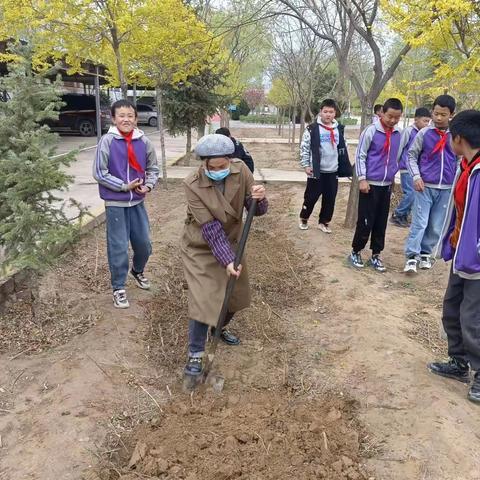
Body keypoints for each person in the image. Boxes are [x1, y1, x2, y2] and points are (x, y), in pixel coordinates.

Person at [181, 133, 268, 377]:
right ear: (204, 164)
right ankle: (196, 355)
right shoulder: (192, 184)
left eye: (224, 165)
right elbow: (210, 228)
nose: (220, 170)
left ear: (230, 160)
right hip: (200, 245)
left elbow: (256, 210)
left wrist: (259, 199)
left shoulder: (241, 171)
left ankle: (217, 328)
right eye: (213, 167)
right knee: (203, 299)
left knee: (236, 298)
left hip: (233, 241)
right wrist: (227, 260)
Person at [428, 110, 480, 404]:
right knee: (452, 308)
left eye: (451, 135)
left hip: (477, 260)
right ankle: (459, 362)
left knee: (473, 318)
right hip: (463, 254)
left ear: (459, 138)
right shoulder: (466, 165)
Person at [93, 99, 159, 308]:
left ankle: (137, 271)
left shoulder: (143, 141)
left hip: (137, 202)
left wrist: (147, 186)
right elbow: (99, 172)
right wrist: (123, 186)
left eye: (130, 115)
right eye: (121, 115)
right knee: (119, 247)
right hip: (115, 203)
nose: (126, 119)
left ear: (136, 118)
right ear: (113, 119)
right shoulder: (107, 141)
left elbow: (153, 168)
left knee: (144, 245)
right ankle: (119, 287)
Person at [403, 95, 457, 274]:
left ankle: (426, 253)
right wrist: (416, 177)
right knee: (420, 222)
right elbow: (411, 156)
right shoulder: (424, 133)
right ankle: (411, 256)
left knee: (436, 224)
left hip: (446, 188)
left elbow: (459, 159)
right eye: (436, 113)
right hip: (424, 186)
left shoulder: (456, 136)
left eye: (443, 114)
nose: (439, 118)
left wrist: (456, 181)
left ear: (451, 114)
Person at [349, 98, 403, 272]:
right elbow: (360, 156)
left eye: (397, 117)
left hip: (386, 185)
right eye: (389, 116)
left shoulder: (398, 134)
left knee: (381, 222)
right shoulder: (371, 131)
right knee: (366, 220)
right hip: (370, 184)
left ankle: (376, 254)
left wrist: (393, 179)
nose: (392, 120)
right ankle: (356, 251)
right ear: (382, 113)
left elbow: (395, 158)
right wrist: (362, 178)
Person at [298, 98, 350, 233]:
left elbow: (343, 148)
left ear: (335, 113)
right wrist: (305, 165)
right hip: (317, 171)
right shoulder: (312, 129)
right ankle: (304, 218)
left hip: (332, 171)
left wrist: (343, 166)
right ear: (320, 112)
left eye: (331, 112)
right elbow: (304, 148)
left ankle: (324, 222)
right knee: (311, 197)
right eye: (325, 111)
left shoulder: (339, 129)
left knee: (330, 199)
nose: (328, 114)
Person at [390, 107, 432, 228]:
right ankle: (397, 214)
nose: (426, 124)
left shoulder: (424, 133)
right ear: (416, 119)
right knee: (411, 194)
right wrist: (395, 164)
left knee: (413, 194)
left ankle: (403, 217)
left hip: (417, 170)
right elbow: (400, 147)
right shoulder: (408, 131)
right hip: (406, 167)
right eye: (424, 121)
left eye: (428, 121)